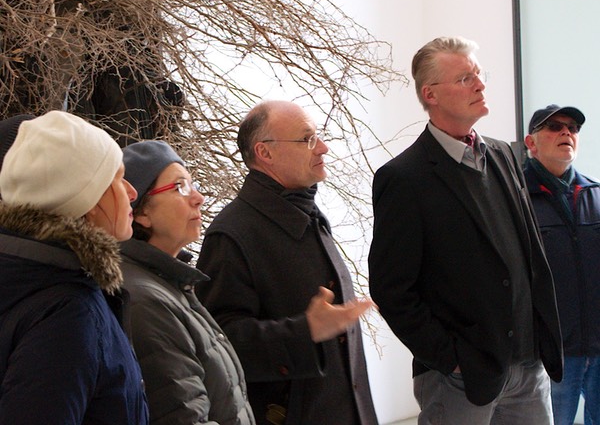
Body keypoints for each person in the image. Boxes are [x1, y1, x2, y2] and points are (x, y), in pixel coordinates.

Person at [368, 36, 562, 425]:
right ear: (431, 94)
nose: (479, 84)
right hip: (461, 378)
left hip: (528, 367)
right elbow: (391, 288)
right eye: (465, 78)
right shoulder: (404, 178)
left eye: (479, 74)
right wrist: (449, 358)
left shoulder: (505, 155)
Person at [196, 100, 379, 425]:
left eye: (318, 136)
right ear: (265, 153)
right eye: (307, 139)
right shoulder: (231, 234)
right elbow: (221, 343)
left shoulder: (307, 212)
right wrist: (305, 331)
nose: (322, 148)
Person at [0, 110, 148, 425]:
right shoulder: (69, 312)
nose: (133, 192)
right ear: (88, 198)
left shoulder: (30, 276)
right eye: (118, 178)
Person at [121, 140, 256, 425]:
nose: (198, 198)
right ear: (142, 212)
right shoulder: (146, 301)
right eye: (180, 187)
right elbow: (183, 416)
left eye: (193, 185)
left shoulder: (173, 286)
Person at [524, 104, 600, 425]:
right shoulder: (517, 198)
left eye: (573, 128)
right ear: (531, 142)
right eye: (554, 126)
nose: (566, 132)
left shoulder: (595, 195)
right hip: (551, 357)